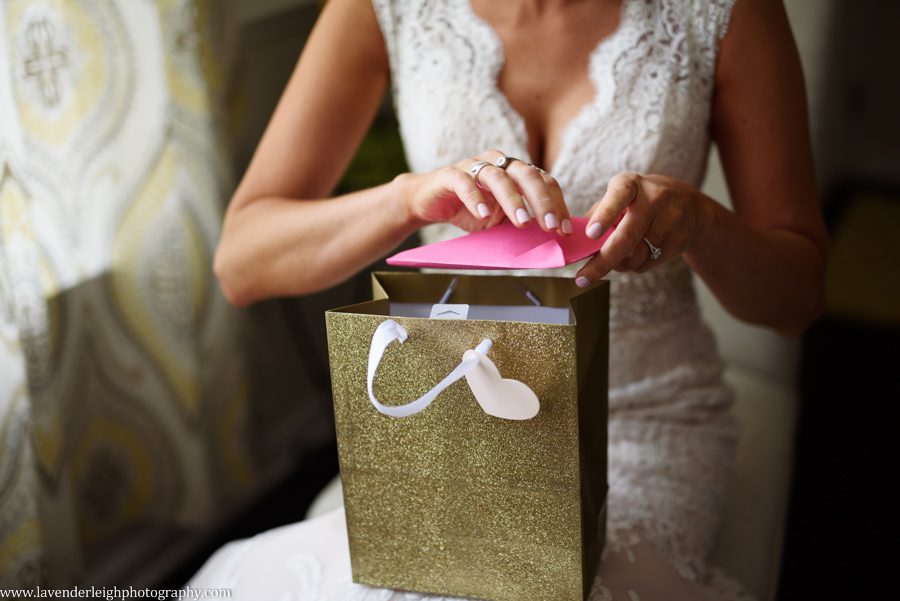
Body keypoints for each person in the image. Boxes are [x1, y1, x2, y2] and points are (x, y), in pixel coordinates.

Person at [198, 0, 827, 599]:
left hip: (638, 420)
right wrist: (407, 201)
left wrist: (703, 224)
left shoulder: (723, 12)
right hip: (450, 414)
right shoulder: (386, 8)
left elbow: (796, 301)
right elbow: (242, 262)